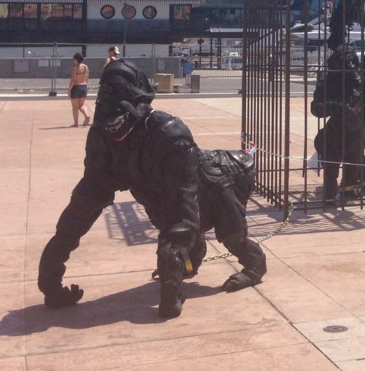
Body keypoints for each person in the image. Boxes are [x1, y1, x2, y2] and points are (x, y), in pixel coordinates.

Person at [38, 60, 267, 319]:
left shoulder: (169, 132)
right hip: (159, 191)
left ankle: (255, 267)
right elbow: (84, 204)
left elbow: (184, 210)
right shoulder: (102, 135)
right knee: (169, 223)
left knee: (229, 236)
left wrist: (170, 294)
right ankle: (186, 265)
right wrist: (52, 282)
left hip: (216, 182)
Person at [68, 52, 90, 127]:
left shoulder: (75, 69)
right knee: (81, 105)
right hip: (84, 86)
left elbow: (73, 80)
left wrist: (69, 90)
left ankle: (76, 123)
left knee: (75, 107)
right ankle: (86, 115)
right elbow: (87, 78)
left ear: (76, 60)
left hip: (76, 87)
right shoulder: (85, 67)